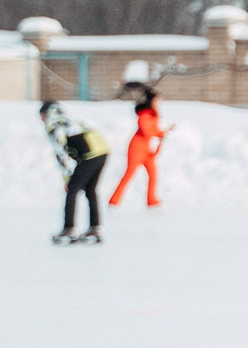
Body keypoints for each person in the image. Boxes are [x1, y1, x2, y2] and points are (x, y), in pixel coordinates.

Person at [40, 101, 111, 245]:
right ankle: (95, 227)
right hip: (102, 150)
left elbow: (60, 153)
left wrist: (67, 178)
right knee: (90, 189)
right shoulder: (68, 118)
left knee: (72, 190)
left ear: (45, 114)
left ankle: (69, 228)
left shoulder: (53, 124)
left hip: (90, 155)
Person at [109, 68, 172, 210]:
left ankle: (152, 200)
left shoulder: (153, 114)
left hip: (146, 150)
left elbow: (153, 131)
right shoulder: (144, 115)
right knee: (129, 174)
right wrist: (160, 133)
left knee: (153, 175)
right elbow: (147, 131)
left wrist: (164, 132)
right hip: (137, 148)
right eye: (157, 100)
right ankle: (114, 201)